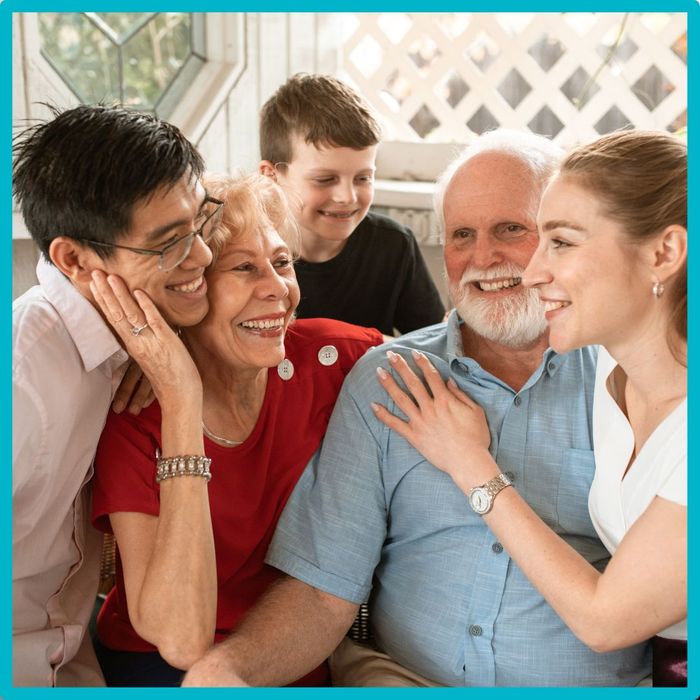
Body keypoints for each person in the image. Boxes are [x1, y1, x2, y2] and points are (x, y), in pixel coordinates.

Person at [182, 129, 651, 687]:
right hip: (403, 679)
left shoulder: (629, 376)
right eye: (461, 235)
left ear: (562, 240)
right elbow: (322, 590)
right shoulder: (387, 378)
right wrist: (227, 671)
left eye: (510, 229)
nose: (483, 257)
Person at [373, 130, 687, 686]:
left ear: (663, 253)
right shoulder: (615, 375)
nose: (535, 271)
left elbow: (603, 620)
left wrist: (471, 463)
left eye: (561, 242)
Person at [89, 173, 384, 687]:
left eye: (283, 262)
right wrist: (182, 400)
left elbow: (451, 351)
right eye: (245, 268)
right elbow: (181, 641)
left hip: (289, 651)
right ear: (189, 292)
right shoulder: (136, 417)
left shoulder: (331, 360)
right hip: (157, 666)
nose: (278, 288)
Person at [12, 104, 214, 686]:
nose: (200, 255)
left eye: (199, 224)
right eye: (169, 244)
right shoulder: (24, 379)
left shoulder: (131, 333)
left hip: (72, 658)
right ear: (74, 260)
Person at [259, 73, 445, 335]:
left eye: (363, 178)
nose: (347, 197)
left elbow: (432, 344)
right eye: (325, 179)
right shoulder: (247, 253)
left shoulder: (394, 247)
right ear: (271, 176)